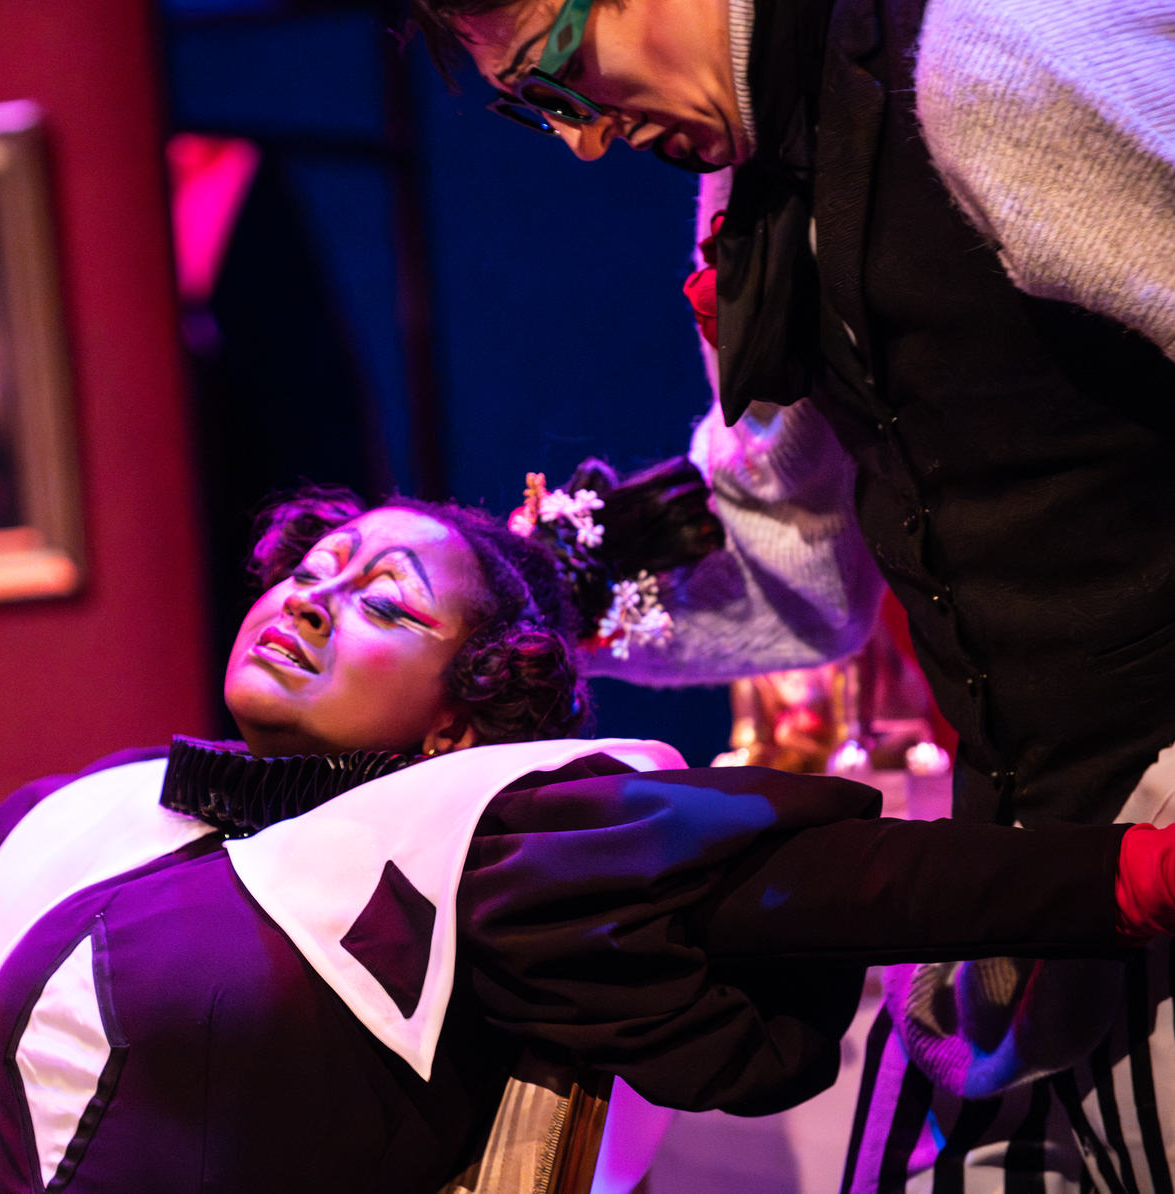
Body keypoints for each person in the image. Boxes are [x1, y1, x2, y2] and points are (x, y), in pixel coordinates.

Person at [0, 474, 1175, 1194]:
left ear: (465, 713)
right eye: (311, 571)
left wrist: (1132, 874)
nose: (312, 600)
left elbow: (864, 884)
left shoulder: (481, 840)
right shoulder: (112, 806)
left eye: (384, 602)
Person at [407, 0, 1175, 1186]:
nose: (586, 141)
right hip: (1035, 856)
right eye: (535, 112)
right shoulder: (752, 172)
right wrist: (538, 608)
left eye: (558, 81)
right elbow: (798, 569)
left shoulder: (990, 56)